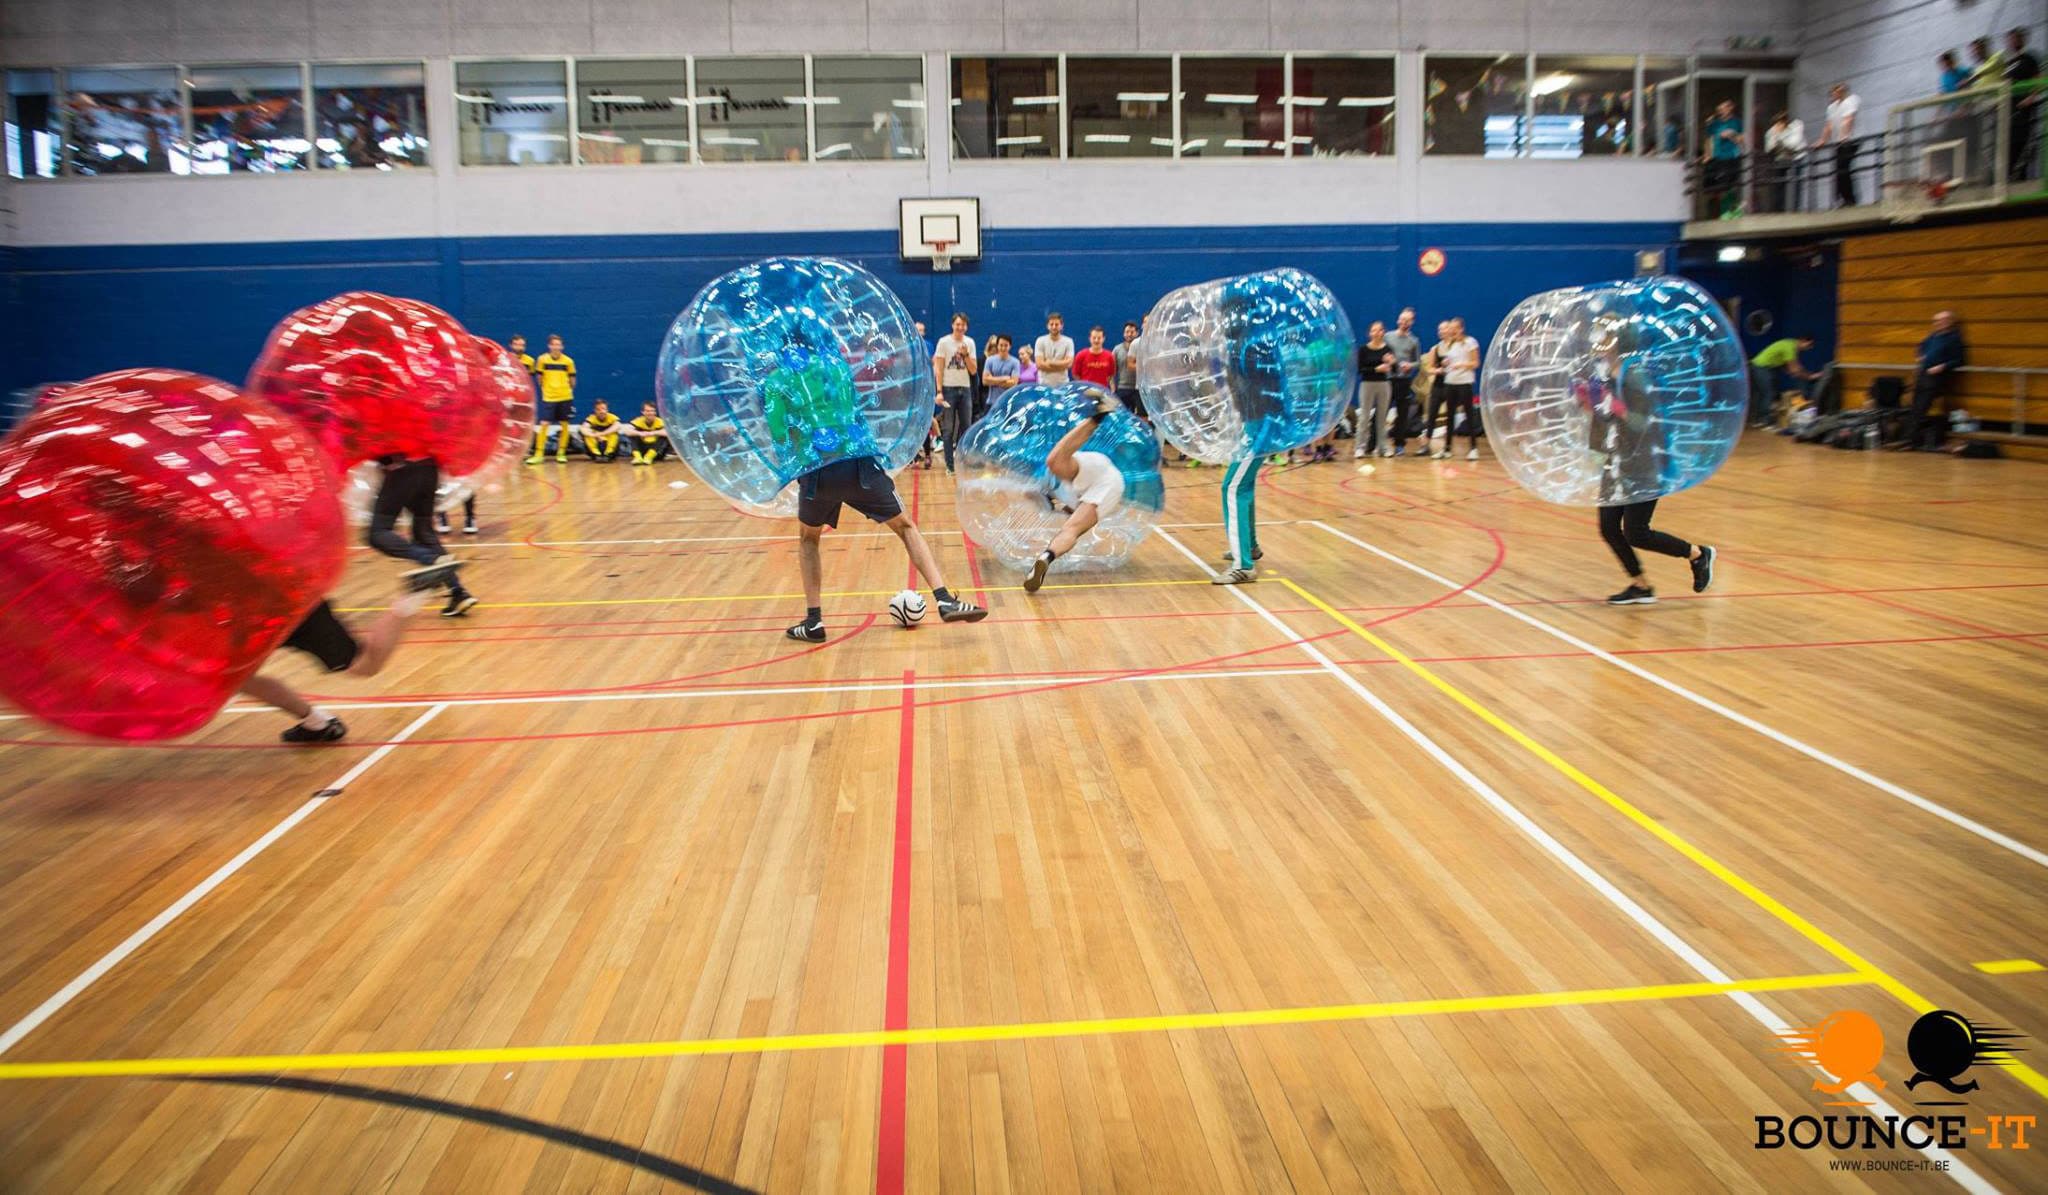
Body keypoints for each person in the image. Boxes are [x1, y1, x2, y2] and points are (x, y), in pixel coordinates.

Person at [1580, 320, 1716, 606]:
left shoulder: (1635, 376)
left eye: (1604, 337)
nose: (1596, 342)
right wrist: (1590, 403)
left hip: (1644, 462)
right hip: (1617, 461)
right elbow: (1607, 420)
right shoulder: (1604, 376)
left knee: (1636, 532)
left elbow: (1644, 423)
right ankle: (1640, 585)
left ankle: (1697, 554)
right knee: (1608, 527)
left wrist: (1617, 407)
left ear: (1618, 341)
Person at [785, 452, 987, 638]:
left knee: (809, 540)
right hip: (859, 469)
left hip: (816, 475)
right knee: (906, 527)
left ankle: (814, 621)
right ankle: (944, 599)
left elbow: (781, 440)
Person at [241, 576, 449, 743]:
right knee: (240, 678)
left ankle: (318, 723)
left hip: (248, 614)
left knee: (237, 677)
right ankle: (412, 597)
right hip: (295, 594)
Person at [1022, 390, 1125, 593]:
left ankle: (1097, 417)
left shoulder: (1046, 483)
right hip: (1095, 476)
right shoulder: (1053, 489)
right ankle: (1046, 557)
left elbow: (1040, 492)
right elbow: (1069, 508)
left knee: (1053, 462)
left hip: (1105, 478)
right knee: (1070, 529)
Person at [367, 456, 478, 617]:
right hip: (429, 468)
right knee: (423, 532)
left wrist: (383, 461)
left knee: (378, 533)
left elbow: (376, 443)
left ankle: (431, 559)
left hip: (400, 467)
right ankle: (458, 593)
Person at [1892, 310, 1966, 450]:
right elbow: (1921, 346)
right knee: (1914, 407)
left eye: (1941, 321)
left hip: (1937, 377)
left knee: (1920, 408)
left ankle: (1909, 440)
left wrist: (1942, 366)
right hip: (1923, 374)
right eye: (1936, 321)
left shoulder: (1954, 339)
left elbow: (1960, 360)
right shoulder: (1933, 336)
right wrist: (1920, 358)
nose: (1937, 323)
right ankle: (1907, 439)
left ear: (1950, 322)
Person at [931, 312, 976, 473]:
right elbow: (939, 368)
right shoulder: (944, 342)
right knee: (948, 428)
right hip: (948, 389)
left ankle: (964, 462)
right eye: (957, 324)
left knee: (966, 427)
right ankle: (950, 465)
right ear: (952, 325)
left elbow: (973, 370)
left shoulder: (970, 342)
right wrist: (939, 391)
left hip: (965, 389)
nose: (960, 327)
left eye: (963, 325)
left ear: (966, 327)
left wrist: (965, 355)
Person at [1433, 318, 1482, 460]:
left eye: (1455, 328)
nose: (1452, 331)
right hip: (1450, 382)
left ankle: (1473, 448)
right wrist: (1445, 363)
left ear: (1461, 328)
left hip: (1464, 382)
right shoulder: (1451, 344)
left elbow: (1475, 363)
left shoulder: (1470, 342)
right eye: (1451, 328)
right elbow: (1448, 362)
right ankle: (1447, 449)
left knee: (1468, 414)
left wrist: (1461, 365)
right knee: (1450, 416)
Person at [526, 333, 576, 463]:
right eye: (554, 344)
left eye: (558, 344)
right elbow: (539, 378)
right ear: (549, 346)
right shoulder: (542, 360)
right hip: (549, 398)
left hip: (565, 397)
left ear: (562, 346)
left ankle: (561, 453)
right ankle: (539, 454)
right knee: (544, 424)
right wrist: (547, 389)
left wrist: (566, 390)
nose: (556, 347)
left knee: (565, 425)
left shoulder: (568, 361)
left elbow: (572, 380)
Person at [1747, 336, 1817, 426]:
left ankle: (1757, 420)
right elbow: (1795, 369)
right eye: (1808, 345)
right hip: (1761, 367)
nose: (1808, 348)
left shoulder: (1790, 345)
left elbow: (1791, 367)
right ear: (1802, 340)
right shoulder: (1790, 347)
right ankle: (1764, 420)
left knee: (1763, 393)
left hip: (1763, 367)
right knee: (1768, 393)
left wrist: (1799, 373)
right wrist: (1810, 376)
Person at [1813, 82, 1861, 207]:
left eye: (1836, 93)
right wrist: (1822, 140)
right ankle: (1844, 197)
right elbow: (1828, 125)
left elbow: (1848, 119)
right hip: (1839, 142)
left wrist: (1845, 135)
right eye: (1833, 94)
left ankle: (1849, 198)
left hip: (1851, 140)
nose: (1834, 96)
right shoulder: (1832, 107)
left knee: (1843, 166)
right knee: (1840, 168)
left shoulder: (1851, 101)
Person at [1383, 308, 1421, 457]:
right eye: (1402, 319)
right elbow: (1381, 353)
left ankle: (1399, 444)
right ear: (1398, 320)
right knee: (1381, 411)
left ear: (1412, 322)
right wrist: (1387, 360)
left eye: (1408, 320)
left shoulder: (1414, 341)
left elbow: (1418, 362)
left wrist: (1410, 365)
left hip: (1404, 380)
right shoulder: (1388, 336)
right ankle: (1374, 442)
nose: (1404, 322)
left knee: (1402, 413)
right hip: (1388, 380)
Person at [1354, 320, 1394, 458]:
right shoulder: (1363, 350)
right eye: (1374, 330)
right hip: (1367, 384)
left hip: (1384, 384)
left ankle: (1383, 447)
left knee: (1382, 417)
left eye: (1379, 330)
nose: (1377, 333)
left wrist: (1392, 363)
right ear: (1369, 333)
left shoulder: (1387, 349)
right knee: (1364, 416)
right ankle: (1360, 447)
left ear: (1383, 332)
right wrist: (1376, 369)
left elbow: (1393, 369)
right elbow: (1360, 369)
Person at [2006, 28, 2040, 182]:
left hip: (2024, 111)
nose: (2013, 42)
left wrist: (2031, 97)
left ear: (2022, 39)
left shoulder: (2029, 59)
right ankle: (2013, 180)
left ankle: (2025, 179)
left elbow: (2038, 80)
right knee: (2010, 147)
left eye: (2016, 38)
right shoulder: (2009, 63)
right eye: (2011, 39)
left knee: (2024, 144)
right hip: (2009, 111)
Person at [1702, 99, 1745, 218]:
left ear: (1731, 108)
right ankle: (1720, 212)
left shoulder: (1737, 122)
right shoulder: (1715, 123)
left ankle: (1730, 212)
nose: (1721, 111)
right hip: (1718, 157)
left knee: (1731, 185)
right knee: (1717, 187)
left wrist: (1732, 134)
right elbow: (1708, 139)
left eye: (1724, 108)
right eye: (1720, 109)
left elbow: (1743, 139)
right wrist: (1707, 155)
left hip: (1732, 156)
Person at [1763, 110, 1806, 212]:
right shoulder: (1771, 131)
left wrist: (1779, 138)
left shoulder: (1796, 126)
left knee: (1797, 182)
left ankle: (1796, 208)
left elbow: (1793, 145)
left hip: (1797, 157)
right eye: (1776, 124)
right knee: (1779, 183)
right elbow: (1768, 148)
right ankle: (1779, 209)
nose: (1778, 126)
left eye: (1780, 123)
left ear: (1785, 122)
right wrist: (1775, 136)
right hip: (1781, 158)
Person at [1112, 321, 1144, 419]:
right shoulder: (1117, 349)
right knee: (1121, 417)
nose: (1129, 334)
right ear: (1123, 333)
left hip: (1138, 389)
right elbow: (1112, 371)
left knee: (1139, 418)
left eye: (1132, 332)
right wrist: (1113, 387)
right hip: (1123, 389)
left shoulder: (1142, 348)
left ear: (1137, 333)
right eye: (1127, 332)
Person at [1034, 313, 1075, 386]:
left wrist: (1050, 362)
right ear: (1047, 326)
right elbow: (1039, 364)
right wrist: (1061, 365)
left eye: (1056, 324)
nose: (1054, 327)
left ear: (1061, 326)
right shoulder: (1040, 340)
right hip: (1044, 385)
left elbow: (1069, 364)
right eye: (1051, 324)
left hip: (1063, 384)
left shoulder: (1069, 341)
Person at [982, 333, 1020, 408]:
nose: (1003, 348)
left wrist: (992, 380)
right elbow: (985, 381)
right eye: (1001, 345)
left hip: (1008, 403)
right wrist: (1004, 378)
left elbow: (1013, 383)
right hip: (992, 402)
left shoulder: (1015, 362)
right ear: (997, 346)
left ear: (1010, 346)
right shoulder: (989, 360)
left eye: (1006, 345)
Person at [1072, 325, 1116, 390]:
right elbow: (1075, 375)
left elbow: (1111, 375)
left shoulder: (1109, 356)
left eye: (1099, 338)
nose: (1096, 340)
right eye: (1094, 338)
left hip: (1102, 391)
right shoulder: (1081, 355)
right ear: (1090, 338)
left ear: (1103, 339)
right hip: (1085, 392)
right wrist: (1084, 386)